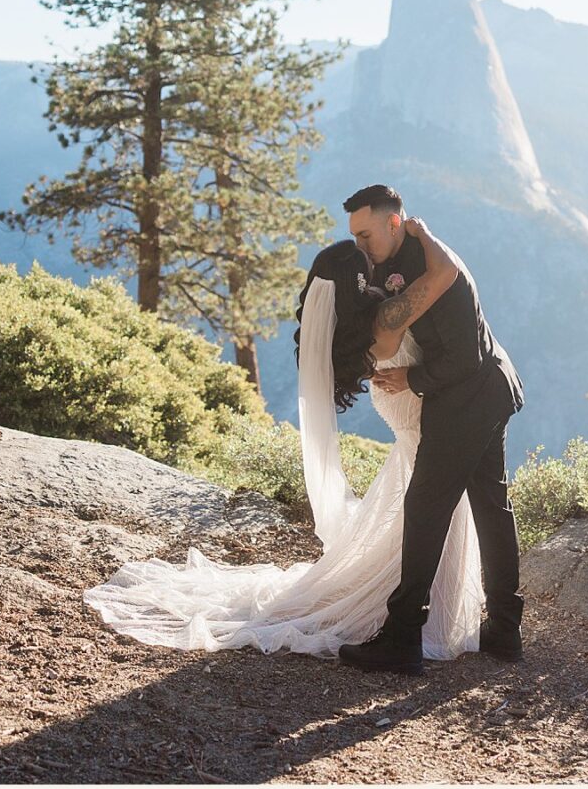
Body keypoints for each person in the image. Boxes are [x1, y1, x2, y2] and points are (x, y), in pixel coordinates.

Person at [81, 212, 490, 663]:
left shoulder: (365, 325)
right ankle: (423, 615)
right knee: (434, 507)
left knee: (428, 506)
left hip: (404, 408)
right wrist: (422, 234)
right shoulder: (387, 322)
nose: (373, 264)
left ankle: (427, 606)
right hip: (412, 409)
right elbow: (442, 276)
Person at [337, 184, 527, 675]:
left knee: (425, 507)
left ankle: (402, 639)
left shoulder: (434, 260)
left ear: (394, 223)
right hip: (487, 391)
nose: (360, 244)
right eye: (353, 235)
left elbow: (465, 358)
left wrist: (410, 379)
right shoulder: (398, 256)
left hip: (469, 396)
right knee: (491, 503)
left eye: (365, 233)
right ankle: (505, 631)